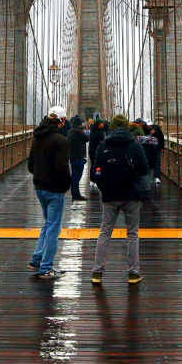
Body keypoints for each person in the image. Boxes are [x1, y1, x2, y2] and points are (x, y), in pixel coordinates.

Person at [90, 115, 150, 285]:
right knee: (132, 234)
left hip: (110, 196)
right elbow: (145, 170)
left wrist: (104, 186)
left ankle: (97, 273)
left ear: (112, 127)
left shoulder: (103, 145)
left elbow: (94, 174)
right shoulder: (135, 145)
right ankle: (133, 273)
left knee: (105, 232)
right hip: (131, 196)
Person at [27, 106, 71, 279]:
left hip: (39, 188)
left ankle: (36, 260)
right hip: (54, 190)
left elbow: (31, 165)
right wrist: (66, 185)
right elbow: (62, 168)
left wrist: (40, 176)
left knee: (48, 224)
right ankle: (46, 268)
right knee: (53, 227)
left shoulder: (37, 137)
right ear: (61, 120)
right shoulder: (60, 140)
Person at [67, 115, 88, 202]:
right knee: (76, 177)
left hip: (73, 156)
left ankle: (75, 194)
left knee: (74, 176)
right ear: (80, 124)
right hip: (78, 156)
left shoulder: (70, 131)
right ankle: (76, 195)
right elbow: (87, 138)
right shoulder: (78, 132)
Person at [134, 118, 160, 187]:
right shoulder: (140, 130)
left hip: (141, 158)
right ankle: (146, 188)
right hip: (148, 160)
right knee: (147, 173)